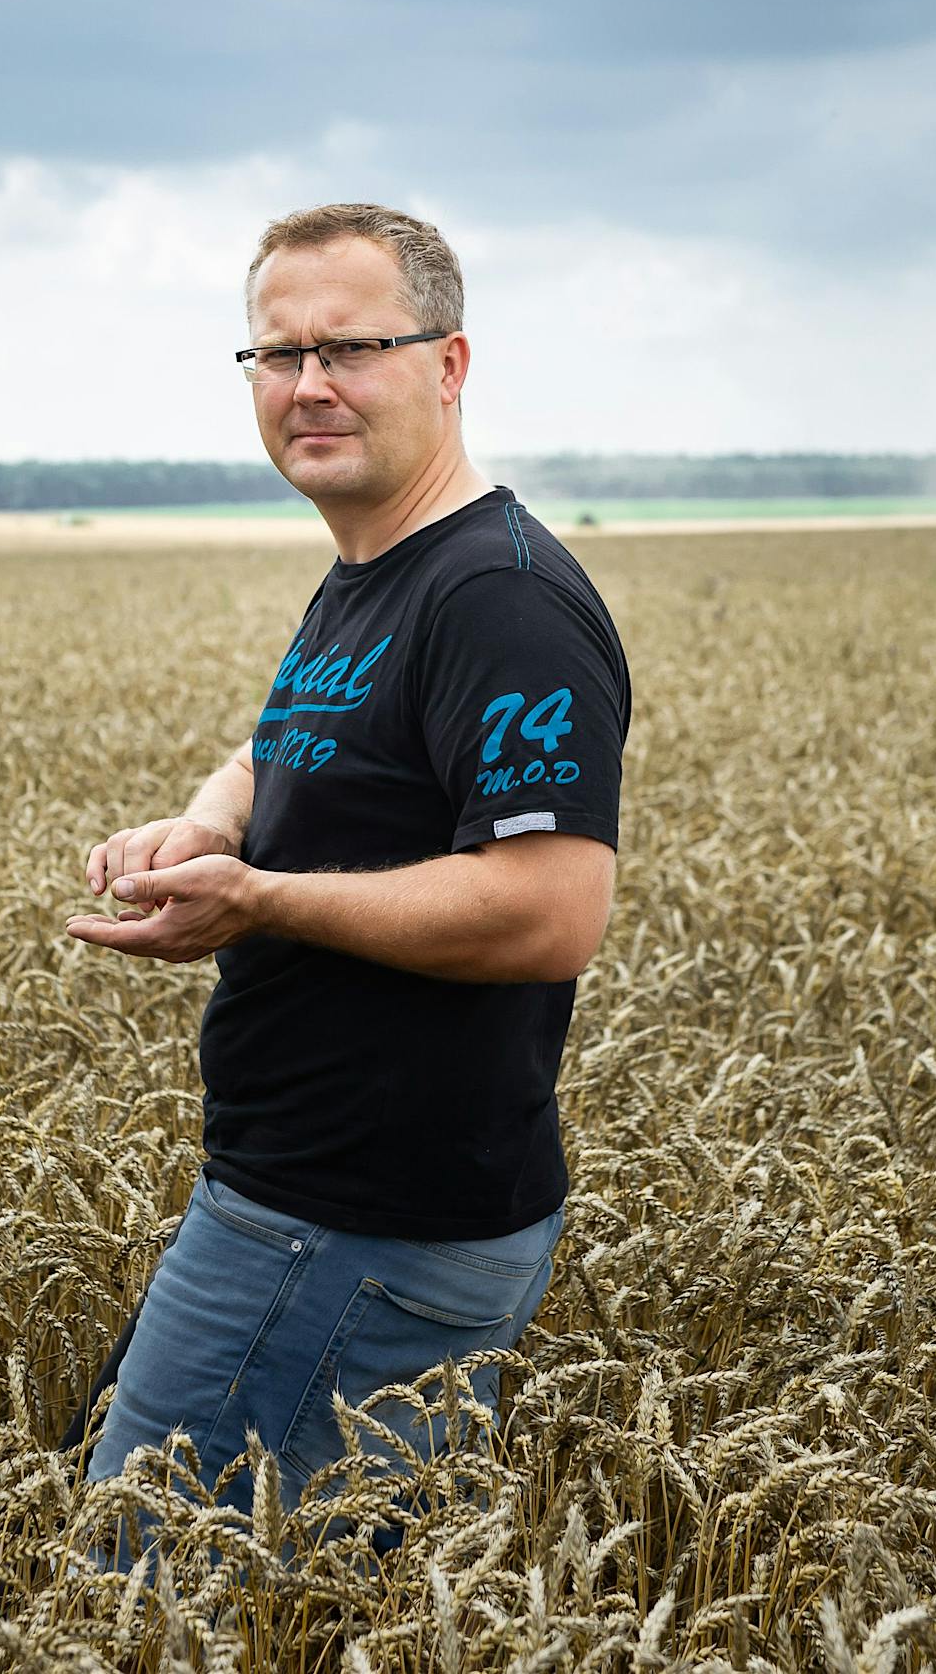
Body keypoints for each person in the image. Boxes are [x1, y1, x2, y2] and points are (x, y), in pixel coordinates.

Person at [63, 202, 632, 1575]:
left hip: (358, 1226)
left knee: (146, 1591)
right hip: (314, 1206)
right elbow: (294, 752)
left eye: (352, 348)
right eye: (277, 353)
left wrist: (257, 903)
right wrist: (205, 824)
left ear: (450, 364)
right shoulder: (375, 570)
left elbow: (549, 908)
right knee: (299, 1602)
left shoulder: (497, 601)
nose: (308, 384)